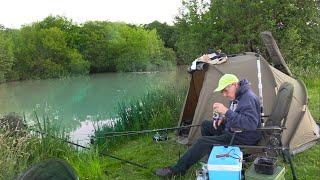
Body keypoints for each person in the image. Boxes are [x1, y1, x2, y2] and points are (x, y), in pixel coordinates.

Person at [155, 74, 262, 177]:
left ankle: (177, 170)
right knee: (205, 125)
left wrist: (226, 111)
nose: (224, 94)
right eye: (222, 92)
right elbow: (238, 115)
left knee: (203, 142)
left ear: (234, 85)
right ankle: (214, 159)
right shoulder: (238, 96)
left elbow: (250, 124)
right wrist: (223, 119)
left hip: (243, 136)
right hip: (234, 129)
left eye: (225, 90)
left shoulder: (248, 98)